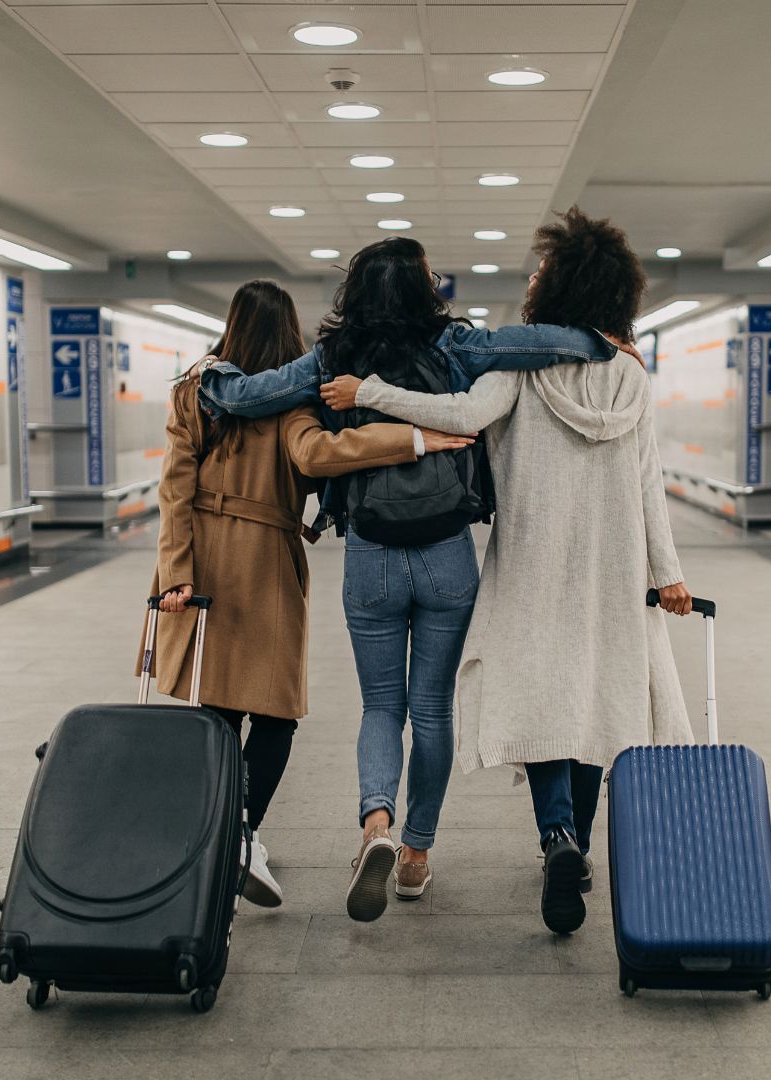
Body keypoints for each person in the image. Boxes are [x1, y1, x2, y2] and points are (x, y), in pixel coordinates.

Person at [196, 237, 620, 922]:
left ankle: (376, 825)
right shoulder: (457, 344)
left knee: (381, 707)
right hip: (447, 551)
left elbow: (250, 396)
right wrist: (598, 343)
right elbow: (538, 343)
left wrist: (210, 377)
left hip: (370, 553)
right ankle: (417, 854)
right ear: (425, 289)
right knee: (432, 711)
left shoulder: (336, 357)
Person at [320, 209, 696, 934]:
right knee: (595, 701)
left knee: (544, 703)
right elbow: (649, 483)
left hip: (532, 560)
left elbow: (456, 417)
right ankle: (574, 845)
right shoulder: (633, 378)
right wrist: (667, 572)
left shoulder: (517, 371)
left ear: (560, 288)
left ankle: (553, 836)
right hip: (612, 570)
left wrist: (368, 391)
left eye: (542, 272)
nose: (532, 279)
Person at [141, 278, 472, 909]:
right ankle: (241, 833)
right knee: (275, 715)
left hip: (203, 563)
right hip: (264, 562)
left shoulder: (195, 391)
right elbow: (321, 455)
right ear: (290, 336)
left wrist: (176, 572)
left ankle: (217, 834)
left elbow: (173, 488)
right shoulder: (291, 404)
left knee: (216, 707)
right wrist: (417, 436)